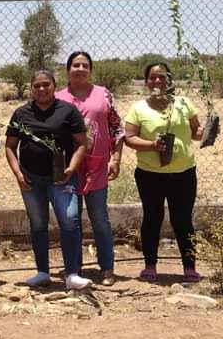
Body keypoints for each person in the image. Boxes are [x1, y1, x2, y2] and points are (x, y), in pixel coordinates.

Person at [4, 70, 91, 290]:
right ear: (31, 88)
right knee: (38, 224)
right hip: (31, 180)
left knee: (70, 221)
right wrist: (18, 173)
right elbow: (10, 146)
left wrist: (72, 167)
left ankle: (71, 274)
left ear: (54, 86)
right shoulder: (21, 114)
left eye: (46, 85)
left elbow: (82, 143)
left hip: (62, 178)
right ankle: (42, 272)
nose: (42, 89)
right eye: (37, 86)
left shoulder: (68, 111)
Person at [124, 62, 203, 282]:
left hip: (184, 173)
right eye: (152, 78)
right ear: (147, 81)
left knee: (183, 219)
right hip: (150, 174)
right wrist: (151, 146)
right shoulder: (138, 108)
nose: (157, 81)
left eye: (162, 77)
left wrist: (206, 132)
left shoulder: (183, 103)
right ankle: (150, 266)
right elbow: (129, 138)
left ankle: (189, 267)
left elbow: (195, 131)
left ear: (169, 80)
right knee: (152, 218)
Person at [56, 51, 125, 286]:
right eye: (76, 65)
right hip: (69, 167)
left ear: (90, 70)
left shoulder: (103, 94)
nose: (80, 68)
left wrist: (115, 158)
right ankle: (74, 270)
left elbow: (117, 128)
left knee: (99, 218)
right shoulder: (58, 98)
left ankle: (107, 268)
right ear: (68, 70)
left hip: (97, 166)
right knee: (70, 219)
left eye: (85, 65)